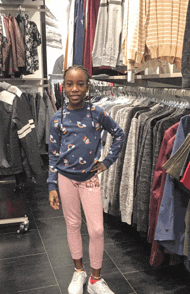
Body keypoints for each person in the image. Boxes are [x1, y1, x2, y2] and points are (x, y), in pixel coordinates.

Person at [47, 65, 125, 294]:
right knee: (72, 225)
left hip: (90, 178)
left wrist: (107, 161)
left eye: (80, 84)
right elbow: (52, 154)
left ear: (88, 87)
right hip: (65, 179)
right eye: (69, 84)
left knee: (97, 230)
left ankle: (95, 279)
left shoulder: (97, 113)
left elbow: (119, 134)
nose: (75, 89)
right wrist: (52, 185)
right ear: (63, 86)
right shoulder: (57, 118)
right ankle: (78, 271)